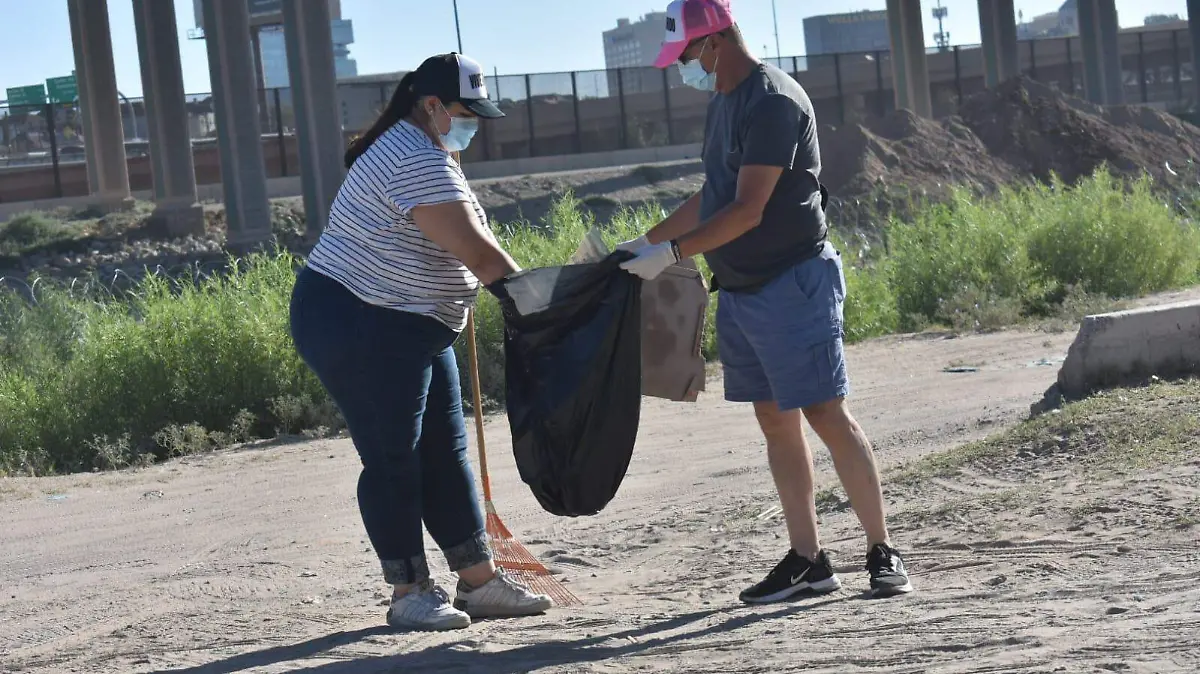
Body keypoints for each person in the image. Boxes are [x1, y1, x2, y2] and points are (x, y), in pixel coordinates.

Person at [618, 0, 913, 603]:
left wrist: (673, 255)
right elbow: (714, 195)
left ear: (717, 40)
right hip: (745, 290)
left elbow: (749, 209)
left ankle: (882, 550)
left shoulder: (773, 101)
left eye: (687, 54)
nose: (684, 68)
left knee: (826, 413)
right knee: (774, 419)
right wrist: (645, 242)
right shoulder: (723, 102)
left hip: (792, 282)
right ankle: (809, 560)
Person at [289, 53, 553, 631]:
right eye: (465, 112)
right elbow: (478, 253)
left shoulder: (432, 150)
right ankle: (409, 589)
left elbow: (468, 243)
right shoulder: (411, 155)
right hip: (360, 319)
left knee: (444, 450)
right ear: (430, 106)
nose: (472, 125)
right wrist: (544, 307)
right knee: (394, 457)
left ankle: (478, 582)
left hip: (415, 324)